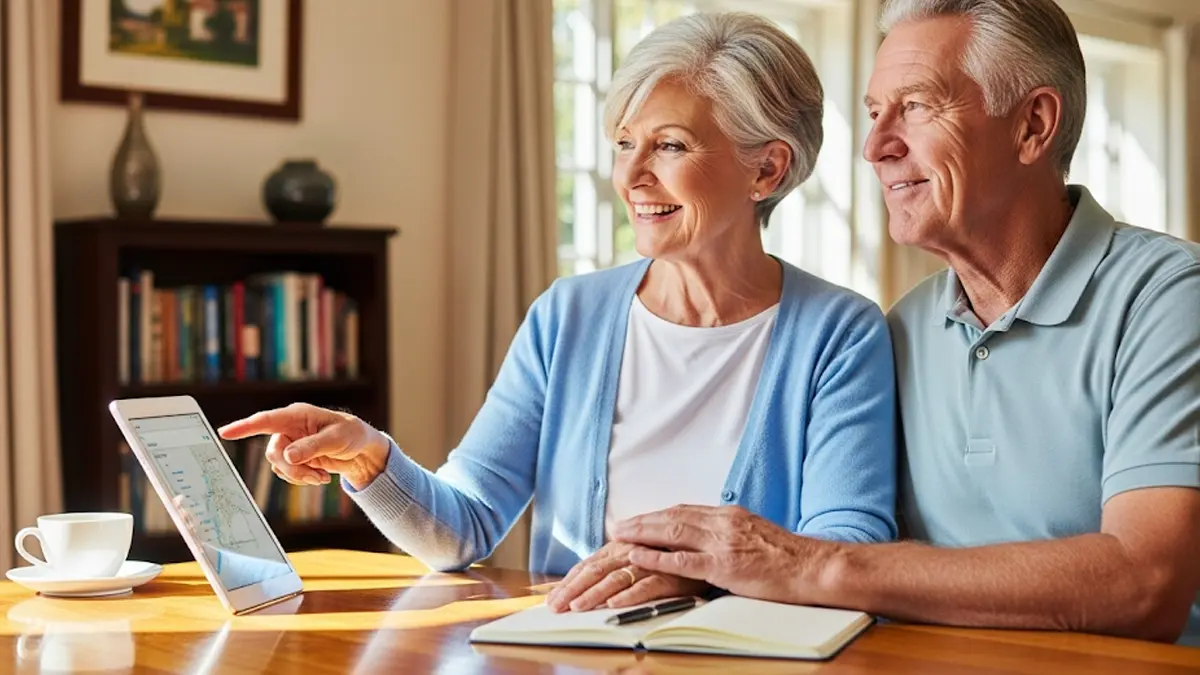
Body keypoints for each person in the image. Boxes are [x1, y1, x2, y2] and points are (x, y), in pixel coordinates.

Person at [218, 12, 898, 615]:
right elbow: (466, 523)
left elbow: (845, 552)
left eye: (669, 145)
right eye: (625, 143)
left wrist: (691, 574)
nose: (631, 177)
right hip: (572, 655)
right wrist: (370, 458)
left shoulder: (840, 334)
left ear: (768, 170)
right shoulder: (568, 315)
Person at [610, 0, 1200, 645]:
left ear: (1033, 125)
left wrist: (813, 565)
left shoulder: (1168, 297)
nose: (875, 147)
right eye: (873, 113)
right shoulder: (899, 331)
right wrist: (685, 571)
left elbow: (1146, 583)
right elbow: (830, 532)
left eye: (917, 106)